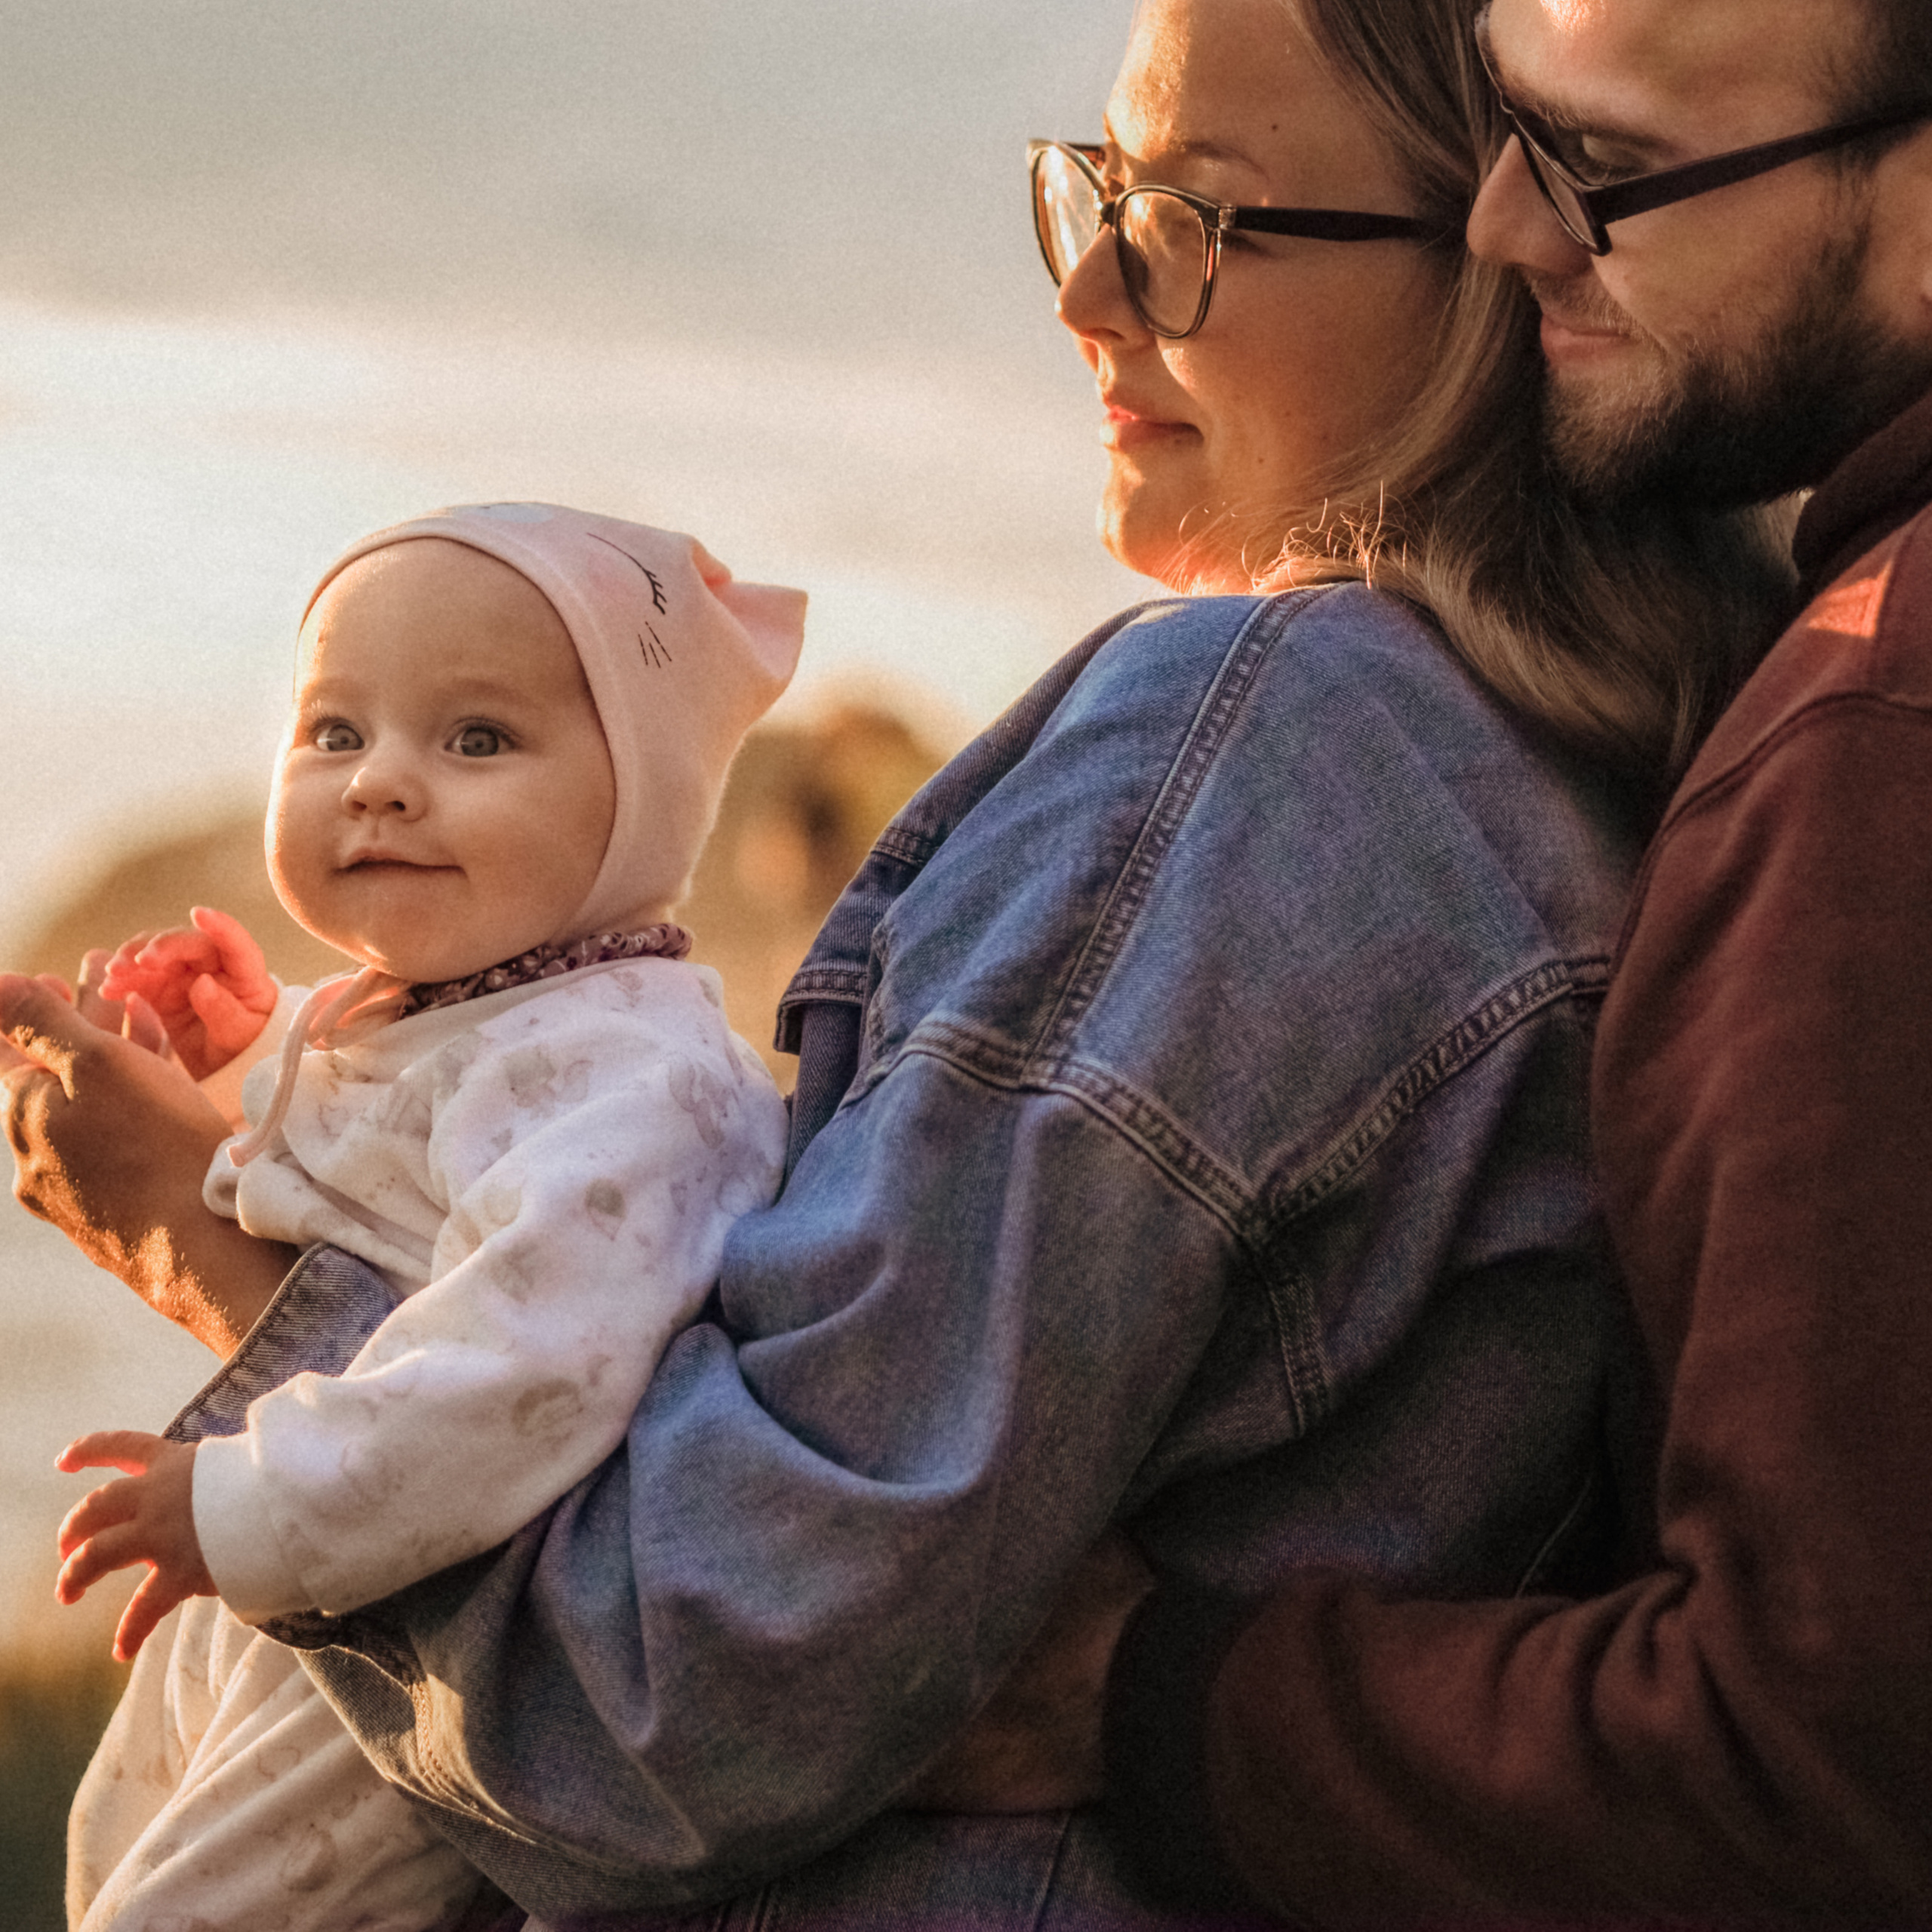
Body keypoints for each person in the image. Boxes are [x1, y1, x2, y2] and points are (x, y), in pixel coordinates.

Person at [0, 0, 1793, 1923]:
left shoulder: (1257, 745)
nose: (1090, 290)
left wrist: (203, 1234)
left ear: (1493, 268)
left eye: (1196, 217)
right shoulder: (1573, 768)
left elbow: (671, 1689)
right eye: (1099, 190)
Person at [952, 0, 1932, 1922]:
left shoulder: (1866, 728)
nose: (1507, 234)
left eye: (1606, 172)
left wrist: (1150, 1693)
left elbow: (1825, 1754)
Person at [46, 503, 804, 1932]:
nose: (380, 784)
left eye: (475, 741)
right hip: (310, 1572)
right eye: (334, 732)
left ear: (638, 795)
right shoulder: (494, 1011)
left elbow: (524, 1370)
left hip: (412, 1632)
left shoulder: (636, 1085)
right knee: (120, 1866)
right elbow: (401, 1153)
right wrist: (247, 1053)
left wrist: (245, 1503)